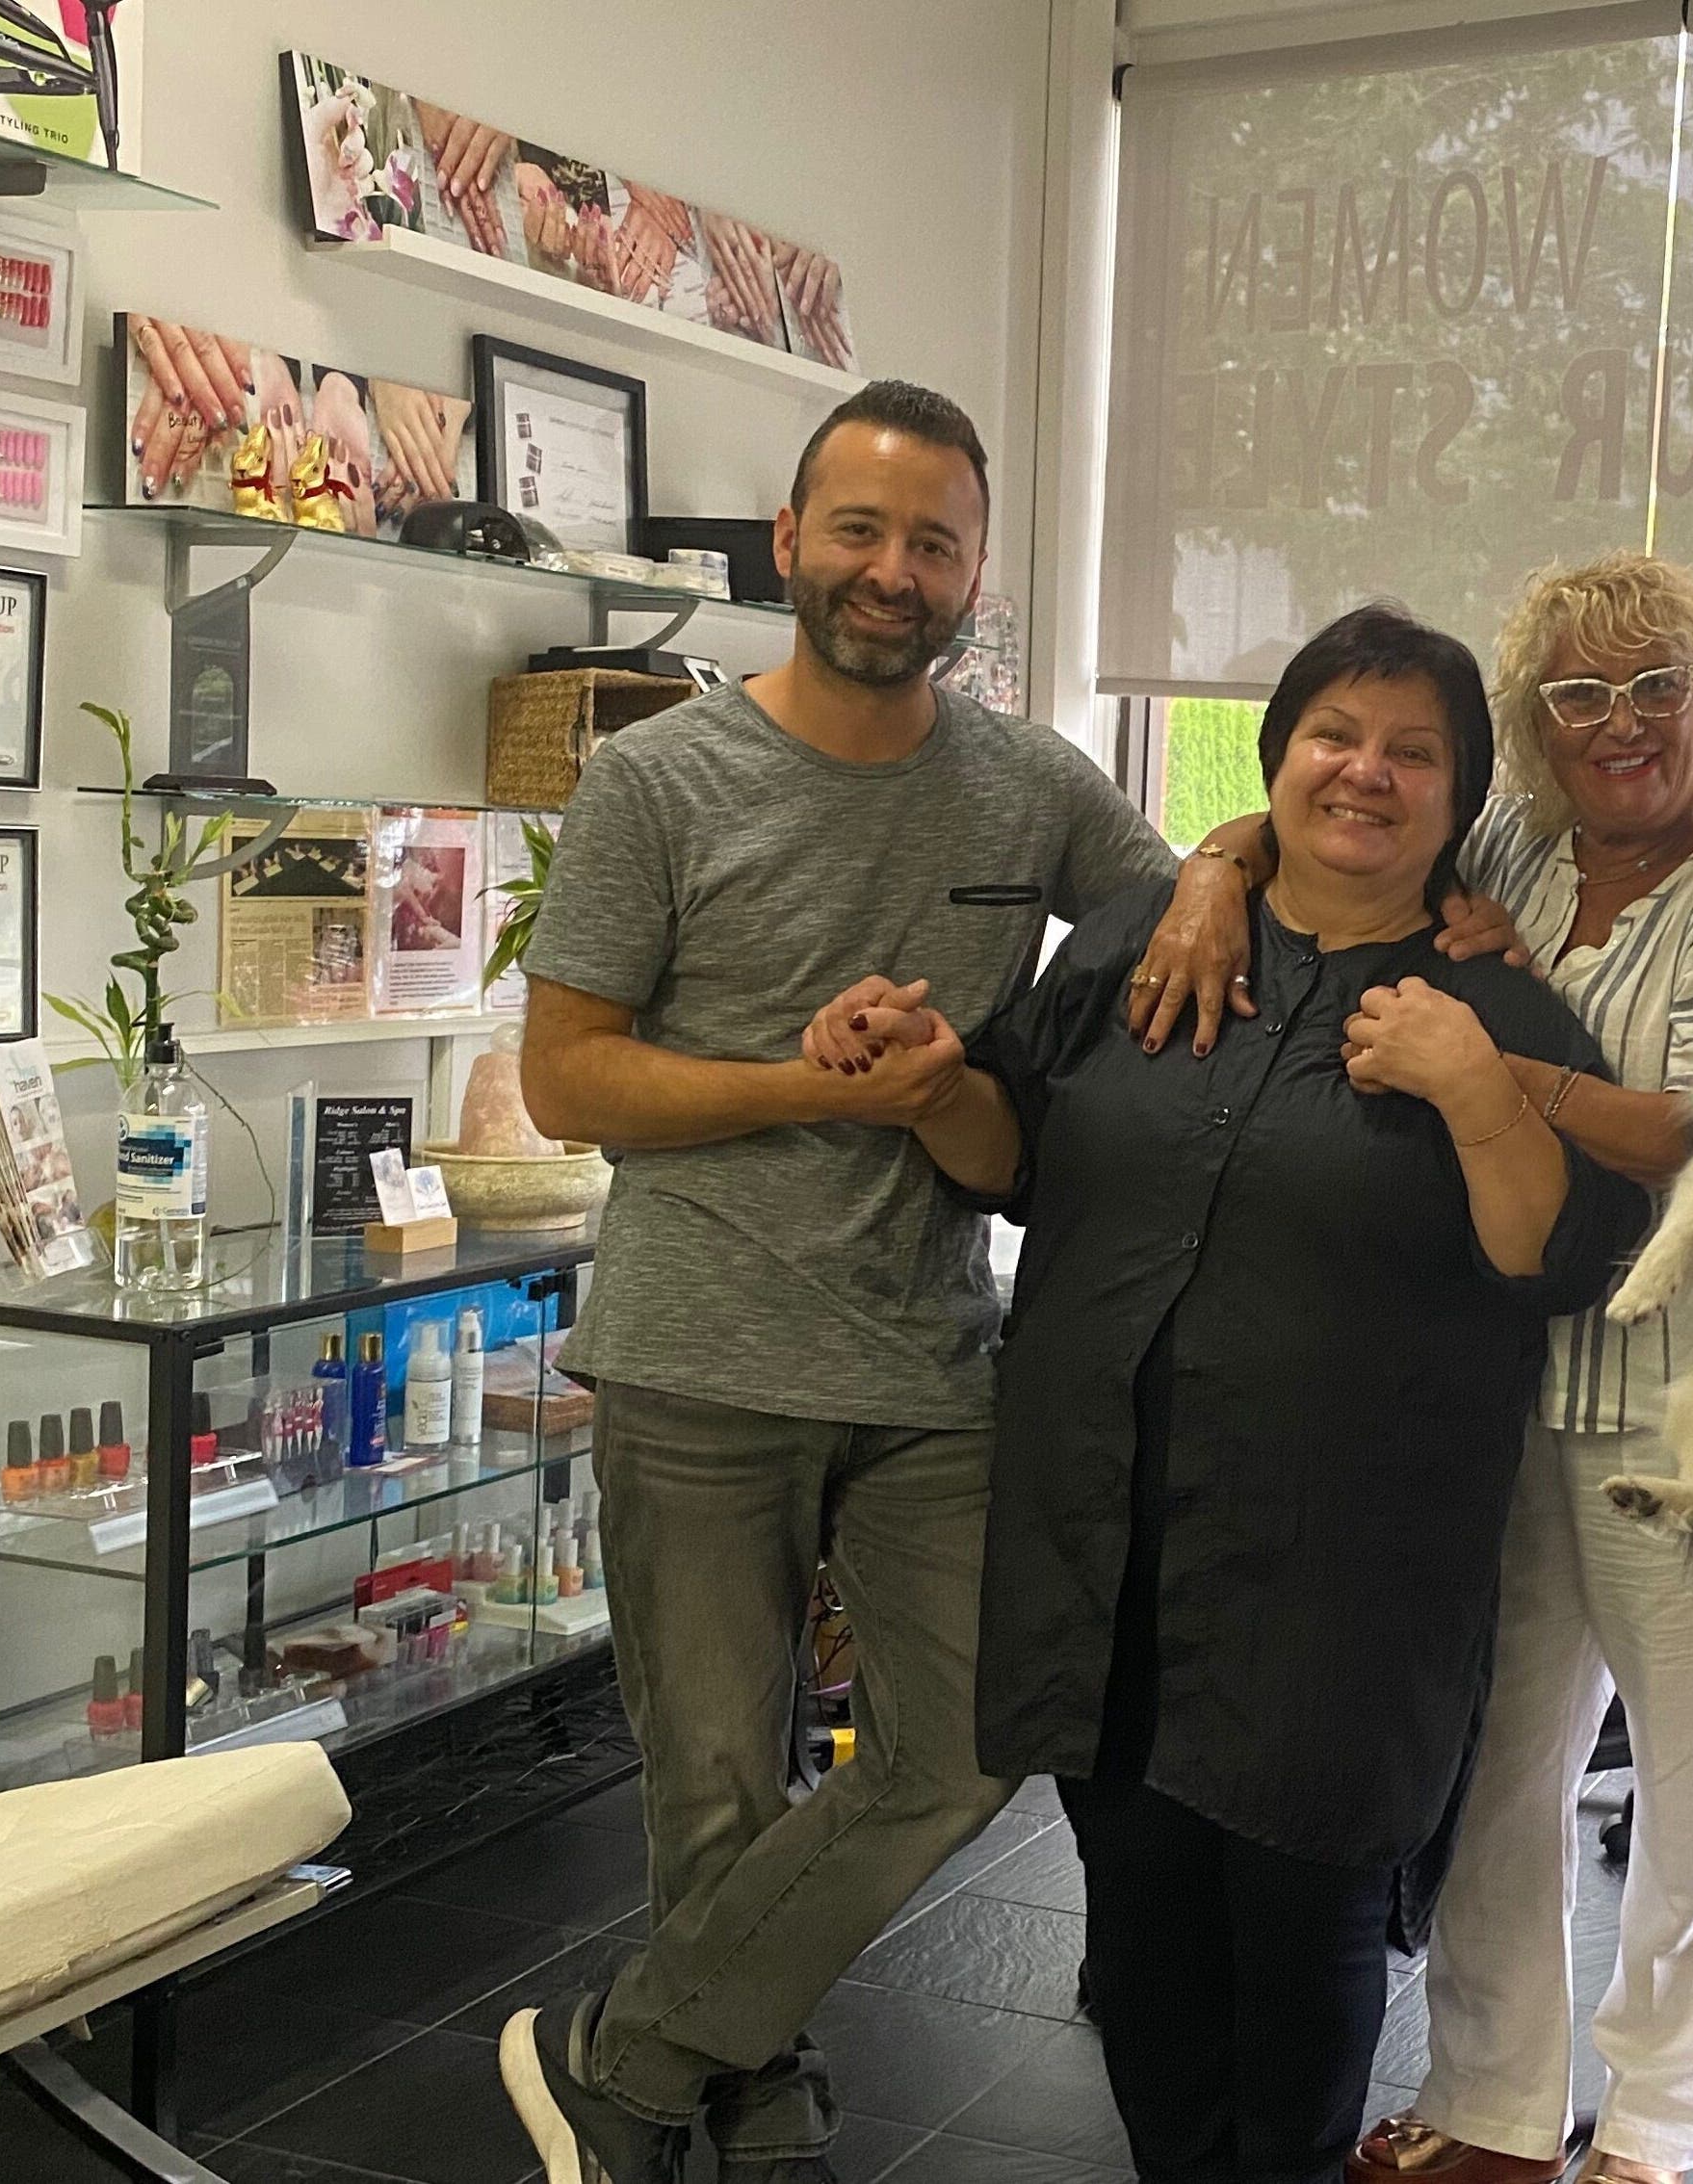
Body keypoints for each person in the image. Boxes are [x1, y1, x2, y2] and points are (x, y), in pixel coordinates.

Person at [496, 379, 1254, 2184]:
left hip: (930, 1353)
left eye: (934, 544)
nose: (892, 571)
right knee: (712, 1778)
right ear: (790, 540)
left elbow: (1191, 911)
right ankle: (747, 2089)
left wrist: (1221, 860)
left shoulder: (1027, 780)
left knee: (978, 1731)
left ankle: (631, 2047)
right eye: (861, 530)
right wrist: (807, 1082)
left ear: (978, 574)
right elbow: (567, 1079)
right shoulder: (656, 779)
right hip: (698, 1357)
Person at [814, 603, 1654, 2184]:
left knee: (1300, 1954)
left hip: (1338, 1585)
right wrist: (929, 1082)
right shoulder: (1145, 938)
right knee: (1139, 1950)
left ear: (1458, 798)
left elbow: (1547, 1254)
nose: (1366, 773)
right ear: (1276, 756)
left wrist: (1474, 1088)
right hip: (1106, 1544)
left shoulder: (1500, 1011)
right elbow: (1017, 1152)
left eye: (1416, 753)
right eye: (1336, 734)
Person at [1327, 553, 1693, 2184]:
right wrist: (1206, 873)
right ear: (1534, 723)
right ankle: (1493, 2105)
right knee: (1504, 1768)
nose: (1621, 727)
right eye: (1579, 696)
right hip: (1508, 1382)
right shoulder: (1516, 852)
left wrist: (1500, 1063)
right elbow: (1335, 822)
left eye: (1657, 688)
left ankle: (1662, 2129)